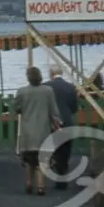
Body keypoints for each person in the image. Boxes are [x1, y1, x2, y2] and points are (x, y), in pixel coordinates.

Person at [14, 66, 60, 195]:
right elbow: (53, 110)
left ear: (28, 77)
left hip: (27, 131)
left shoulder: (22, 91)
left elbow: (15, 106)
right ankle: (41, 186)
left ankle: (29, 184)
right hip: (43, 130)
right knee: (42, 161)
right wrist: (57, 123)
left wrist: (22, 110)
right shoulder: (48, 91)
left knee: (29, 160)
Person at [46, 66, 79, 191]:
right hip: (67, 120)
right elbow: (74, 108)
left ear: (51, 73)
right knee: (65, 151)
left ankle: (54, 167)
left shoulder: (46, 86)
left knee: (53, 148)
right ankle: (62, 176)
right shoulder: (71, 87)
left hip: (51, 122)